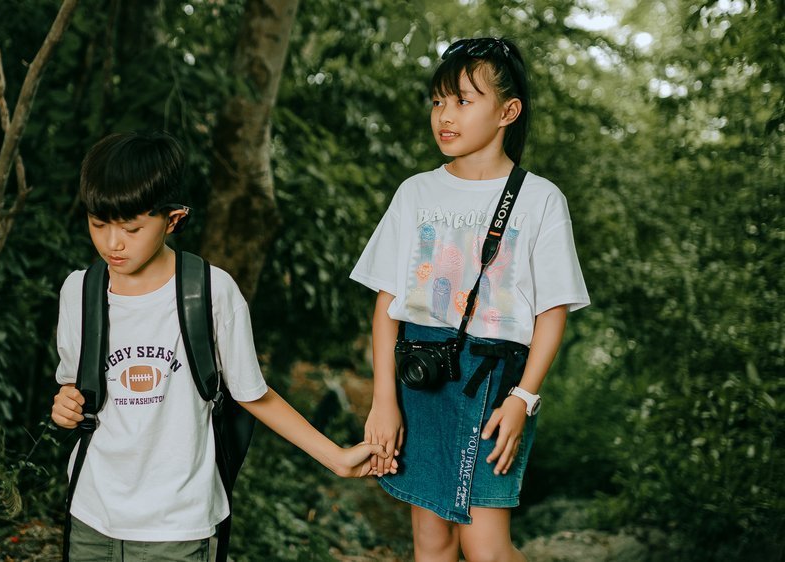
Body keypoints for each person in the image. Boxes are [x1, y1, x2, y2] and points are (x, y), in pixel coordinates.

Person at [51, 131, 393, 561]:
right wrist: (65, 405)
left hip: (176, 524)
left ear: (173, 219)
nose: (112, 243)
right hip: (90, 513)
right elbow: (73, 387)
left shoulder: (210, 292)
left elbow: (254, 395)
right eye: (99, 224)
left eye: (131, 227)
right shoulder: (79, 291)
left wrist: (338, 459)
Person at [351, 38, 590, 561]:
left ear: (508, 111)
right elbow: (386, 305)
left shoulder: (541, 198)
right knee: (431, 541)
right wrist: (384, 399)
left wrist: (523, 399)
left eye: (463, 100)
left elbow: (552, 313)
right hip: (423, 373)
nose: (445, 115)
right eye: (438, 101)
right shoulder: (415, 192)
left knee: (485, 544)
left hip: (498, 382)